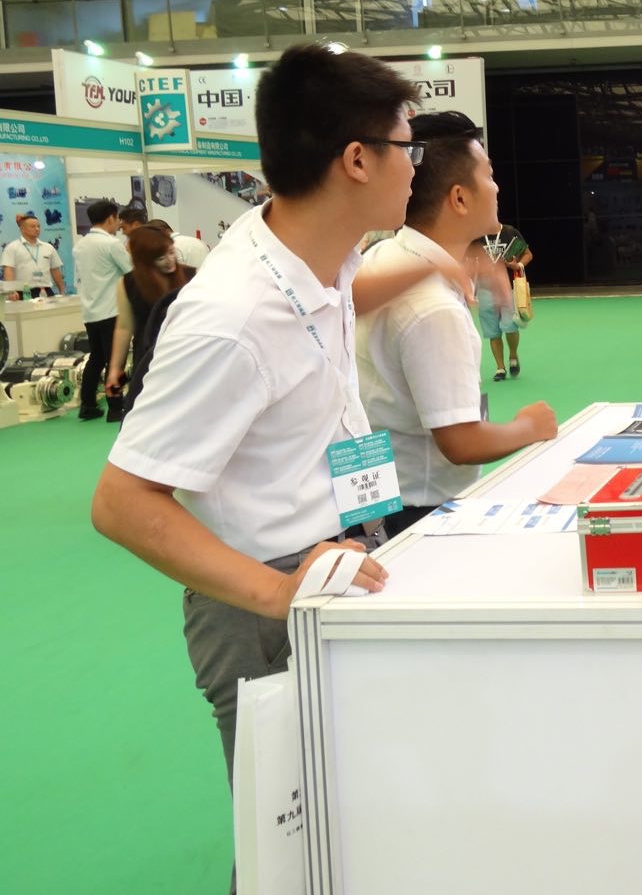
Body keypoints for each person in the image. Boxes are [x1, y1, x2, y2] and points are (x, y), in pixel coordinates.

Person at [90, 44, 454, 886]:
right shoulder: (230, 317)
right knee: (288, 855)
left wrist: (437, 261)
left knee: (356, 834)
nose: (417, 167)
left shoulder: (319, 259)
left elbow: (332, 304)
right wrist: (278, 593)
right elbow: (121, 501)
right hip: (266, 601)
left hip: (342, 561)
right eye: (409, 147)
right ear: (357, 159)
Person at [356, 111, 558, 535]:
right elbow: (461, 443)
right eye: (489, 175)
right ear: (460, 198)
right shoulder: (433, 308)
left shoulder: (385, 258)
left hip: (378, 503)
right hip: (418, 514)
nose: (496, 186)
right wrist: (529, 426)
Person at [106, 224, 194, 418]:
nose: (170, 261)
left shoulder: (193, 277)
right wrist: (115, 369)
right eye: (160, 258)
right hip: (148, 357)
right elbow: (124, 327)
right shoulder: (127, 283)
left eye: (171, 252)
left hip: (187, 354)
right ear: (144, 261)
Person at [72, 198, 133, 420]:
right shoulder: (111, 244)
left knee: (96, 358)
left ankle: (87, 405)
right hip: (112, 310)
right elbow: (131, 271)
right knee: (116, 360)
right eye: (117, 219)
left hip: (90, 311)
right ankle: (116, 406)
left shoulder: (80, 246)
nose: (118, 224)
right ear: (110, 218)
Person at [472, 235, 531, 380]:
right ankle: (500, 368)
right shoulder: (476, 237)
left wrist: (518, 265)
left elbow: (528, 254)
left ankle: (513, 354)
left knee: (510, 326)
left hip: (508, 288)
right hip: (484, 290)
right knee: (493, 331)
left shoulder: (509, 233)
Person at [2, 212, 65, 298]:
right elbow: (8, 270)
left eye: (38, 226)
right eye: (32, 226)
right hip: (23, 292)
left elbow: (55, 270)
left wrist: (62, 291)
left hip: (46, 291)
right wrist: (11, 291)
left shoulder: (48, 247)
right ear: (22, 229)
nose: (37, 229)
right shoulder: (12, 247)